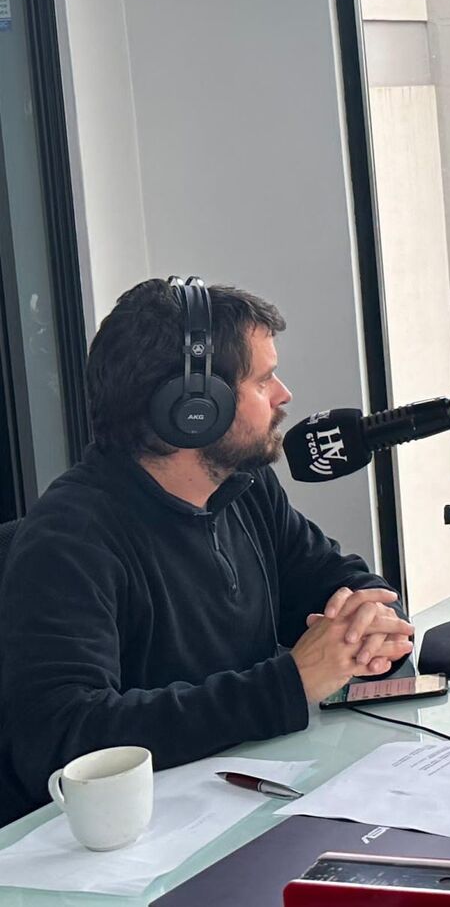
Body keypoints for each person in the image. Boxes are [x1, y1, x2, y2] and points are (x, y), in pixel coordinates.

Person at [0, 279, 413, 826]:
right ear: (194, 408)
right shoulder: (71, 539)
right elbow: (63, 737)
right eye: (263, 380)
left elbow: (340, 582)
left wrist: (372, 625)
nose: (284, 395)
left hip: (238, 807)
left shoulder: (246, 490)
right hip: (119, 859)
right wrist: (288, 684)